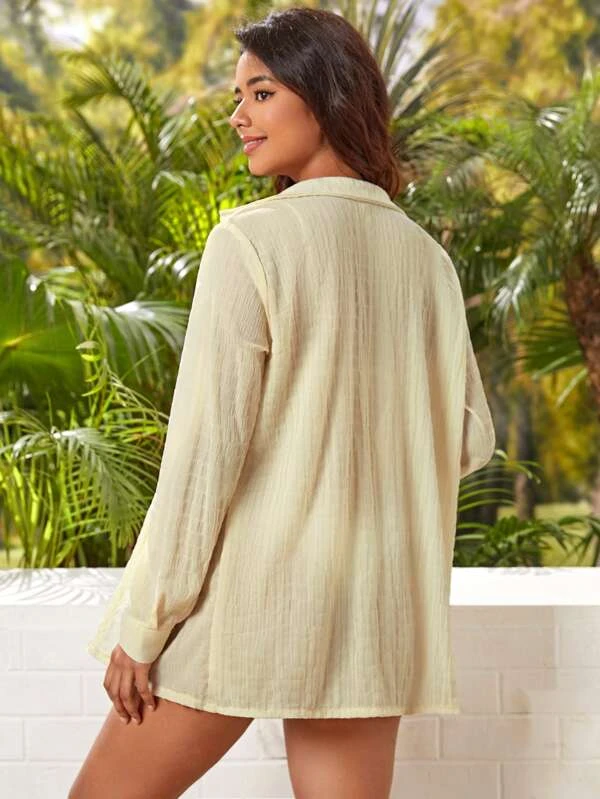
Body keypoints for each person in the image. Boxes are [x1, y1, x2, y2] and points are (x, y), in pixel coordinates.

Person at [69, 6, 496, 799]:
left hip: (251, 602)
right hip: (371, 614)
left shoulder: (251, 241)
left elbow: (204, 458)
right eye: (239, 97)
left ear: (327, 95)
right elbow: (470, 440)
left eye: (261, 93)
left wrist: (145, 625)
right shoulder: (426, 259)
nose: (239, 116)